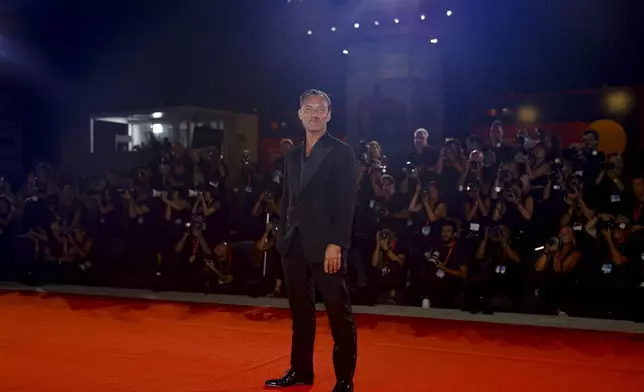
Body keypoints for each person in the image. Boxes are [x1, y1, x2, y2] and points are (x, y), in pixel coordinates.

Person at [264, 89, 358, 392]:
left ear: (329, 115)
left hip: (326, 245)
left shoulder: (342, 152)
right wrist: (281, 235)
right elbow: (288, 198)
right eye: (308, 108)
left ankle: (344, 380)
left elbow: (346, 203)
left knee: (338, 314)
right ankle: (301, 371)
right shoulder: (291, 155)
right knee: (300, 315)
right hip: (293, 244)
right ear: (299, 113)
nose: (314, 113)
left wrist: (337, 243)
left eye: (320, 109)